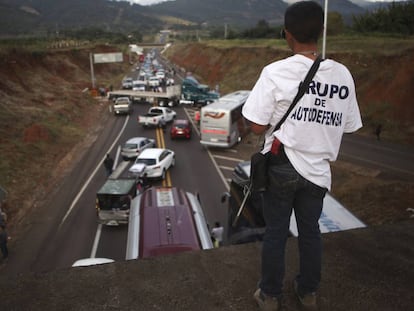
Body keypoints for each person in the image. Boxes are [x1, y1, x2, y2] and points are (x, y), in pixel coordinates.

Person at [242, 2, 363, 310]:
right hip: (318, 172)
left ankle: (269, 295)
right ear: (321, 32)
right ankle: (307, 292)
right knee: (311, 232)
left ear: (287, 35)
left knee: (276, 233)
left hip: (282, 166)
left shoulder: (275, 72)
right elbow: (348, 125)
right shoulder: (342, 74)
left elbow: (257, 124)